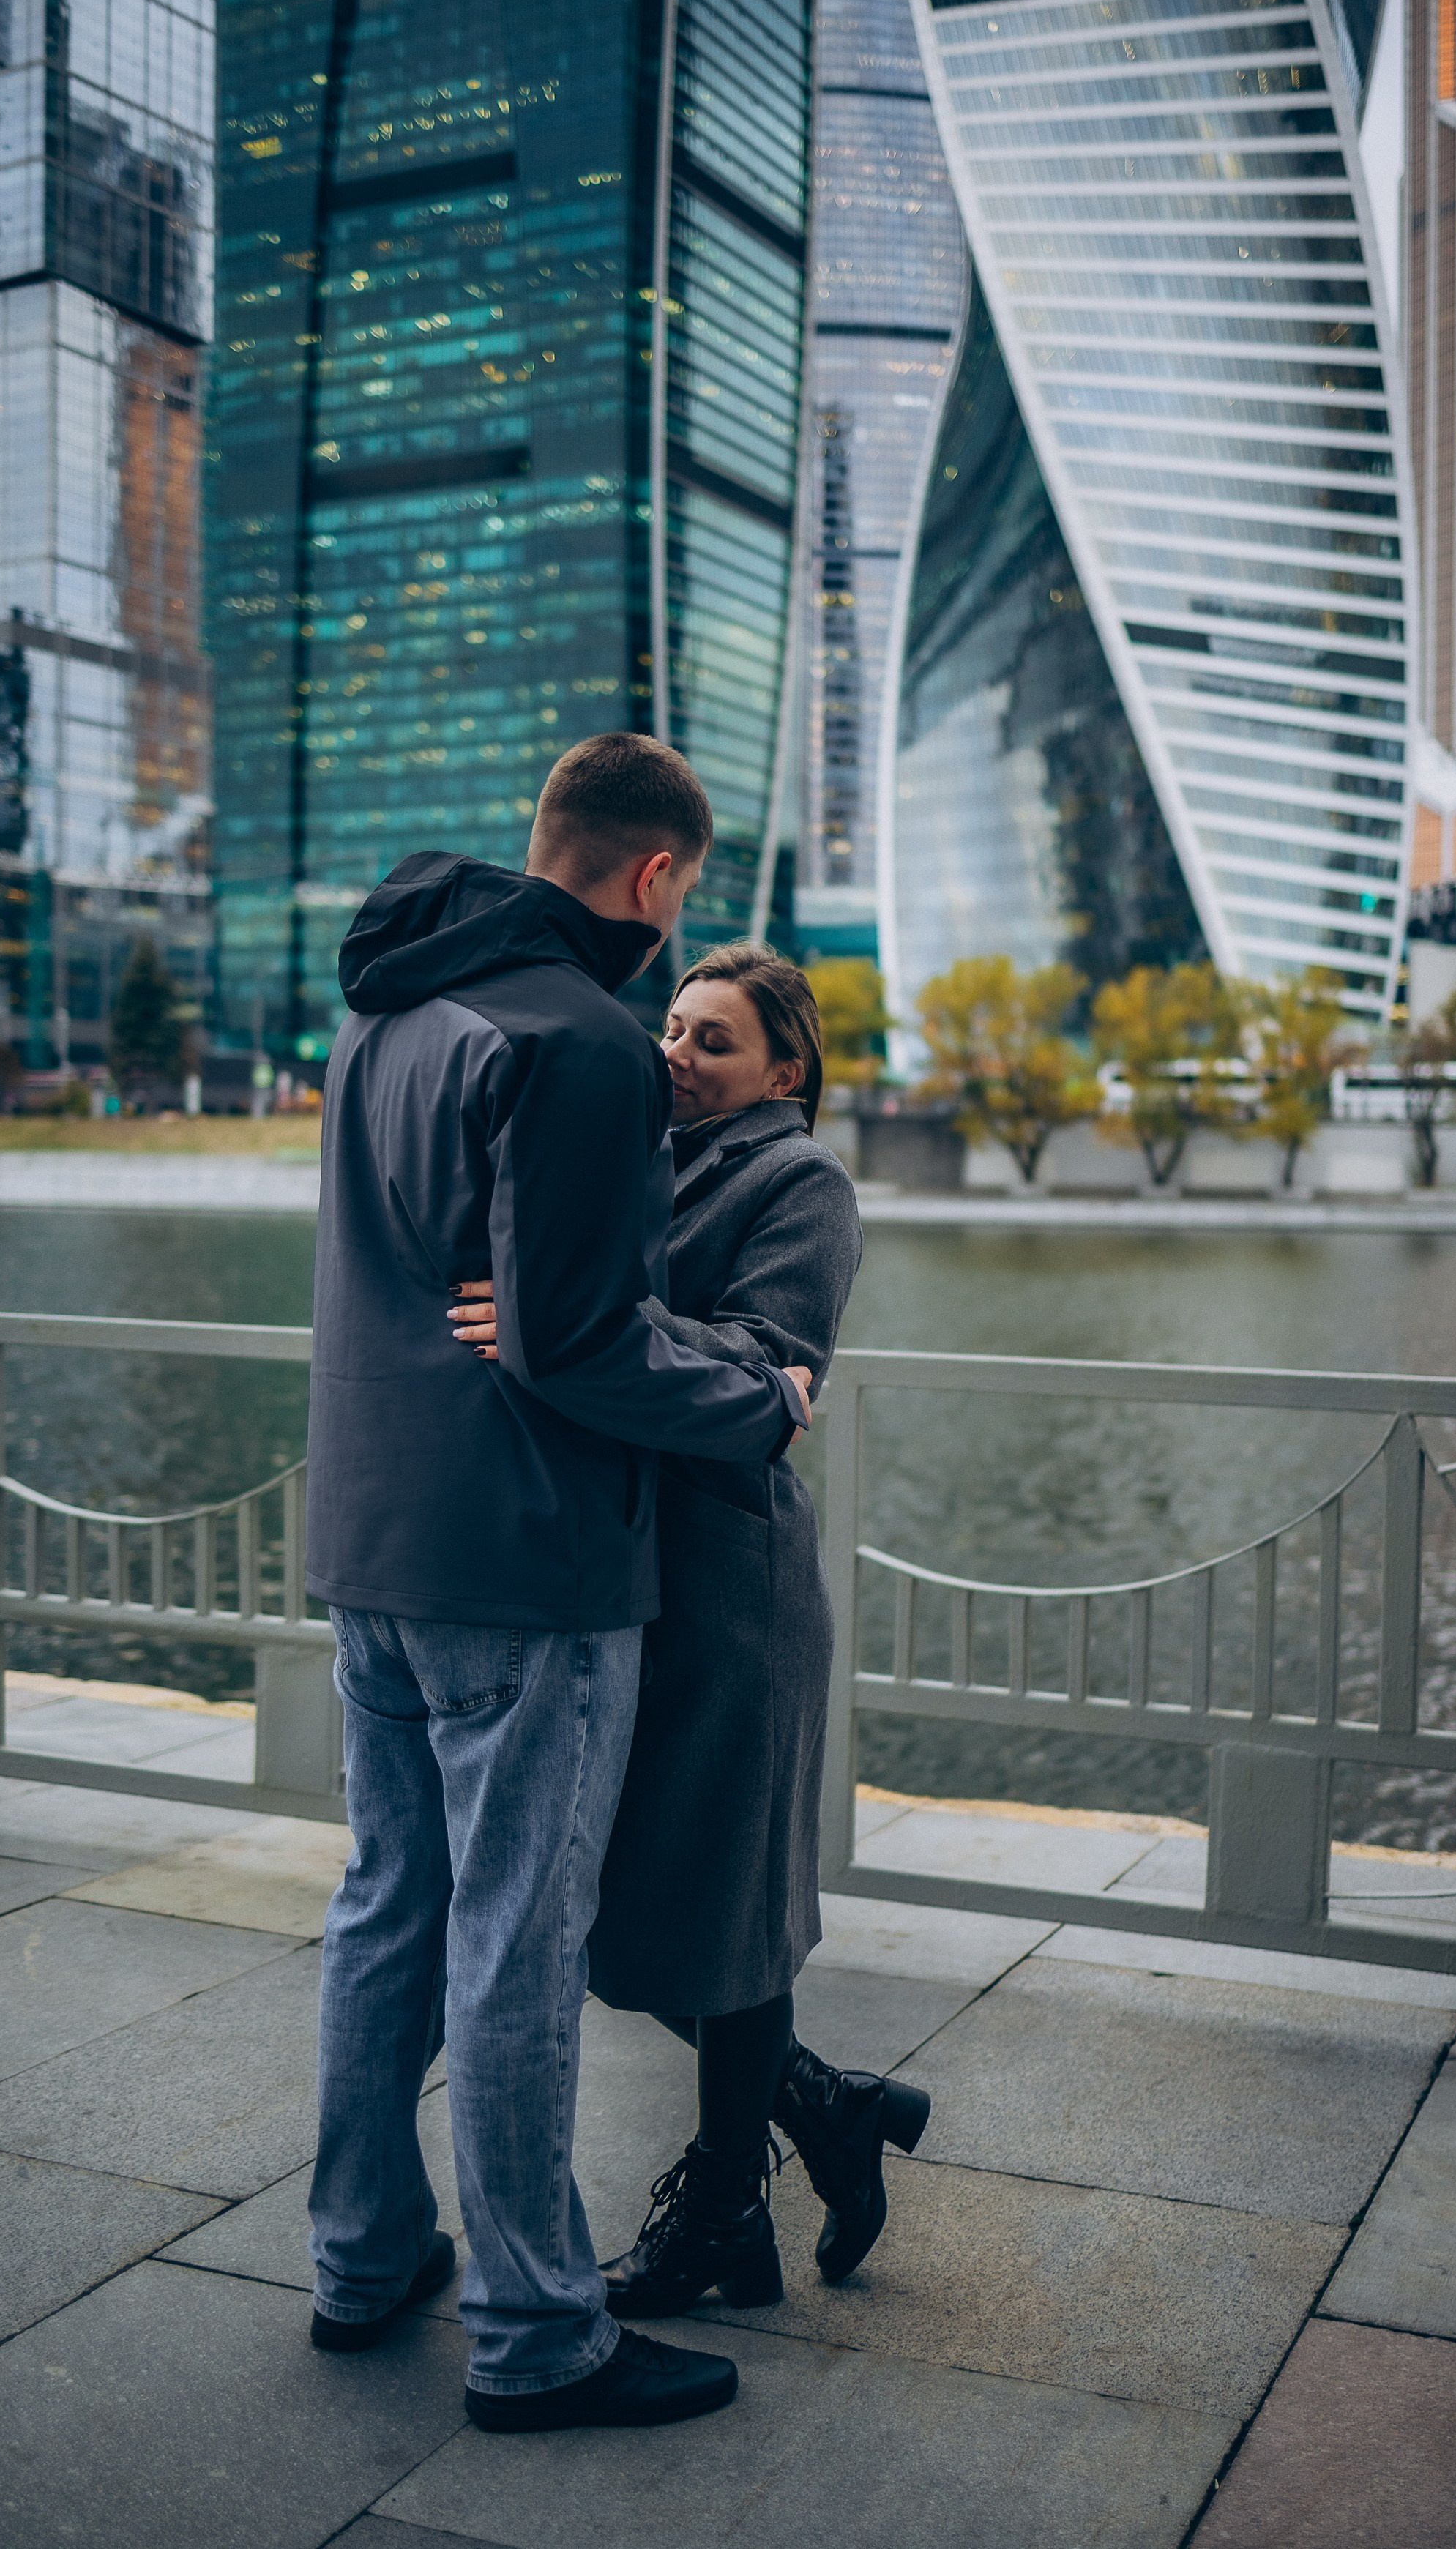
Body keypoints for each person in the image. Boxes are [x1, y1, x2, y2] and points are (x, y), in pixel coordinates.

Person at [302, 736, 813, 2436]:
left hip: (370, 1534)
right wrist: (761, 1396)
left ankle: (365, 2254)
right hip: (524, 1562)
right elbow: (581, 1344)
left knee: (387, 1907)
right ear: (658, 879)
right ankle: (538, 2329)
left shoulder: (384, 1011)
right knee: (517, 1937)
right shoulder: (584, 1043)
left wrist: (534, 1329)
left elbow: (456, 1297)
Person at [445, 941, 930, 2319]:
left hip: (729, 1586)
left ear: (786, 1070)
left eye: (713, 1041)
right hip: (616, 1573)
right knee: (614, 1918)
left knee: (723, 1920)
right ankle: (826, 2112)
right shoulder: (630, 1146)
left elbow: (766, 1359)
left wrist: (567, 1324)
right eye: (671, 1026)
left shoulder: (802, 1183)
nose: (675, 1053)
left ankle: (724, 2212)